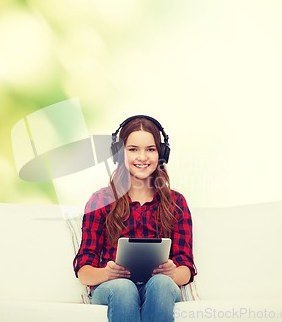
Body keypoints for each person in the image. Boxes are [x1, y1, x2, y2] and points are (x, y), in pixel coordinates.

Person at [73, 115, 196, 322]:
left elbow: (186, 268)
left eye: (150, 149)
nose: (142, 157)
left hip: (160, 288)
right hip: (113, 288)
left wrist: (172, 273)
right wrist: (107, 273)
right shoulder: (100, 200)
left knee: (162, 283)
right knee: (123, 287)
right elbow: (84, 271)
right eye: (133, 149)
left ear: (161, 153)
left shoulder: (177, 202)